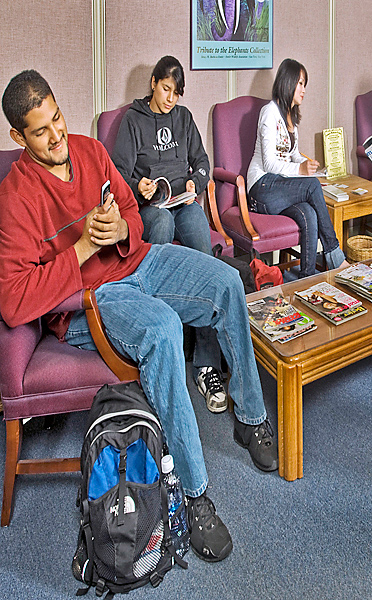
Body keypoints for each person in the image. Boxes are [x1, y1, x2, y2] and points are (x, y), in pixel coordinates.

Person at [0, 70, 279, 563]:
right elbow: (14, 300)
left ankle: (250, 416)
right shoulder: (15, 197)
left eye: (58, 118)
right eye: (41, 130)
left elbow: (131, 211)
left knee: (227, 281)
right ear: (18, 136)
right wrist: (85, 244)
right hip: (92, 298)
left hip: (139, 260)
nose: (57, 134)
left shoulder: (88, 150)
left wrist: (120, 228)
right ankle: (194, 496)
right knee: (163, 330)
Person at [112, 56, 226, 414]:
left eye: (175, 94)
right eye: (165, 90)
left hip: (184, 201)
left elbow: (203, 162)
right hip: (151, 206)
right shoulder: (133, 120)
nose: (169, 99)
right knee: (159, 227)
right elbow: (117, 173)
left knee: (202, 246)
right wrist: (138, 185)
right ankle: (163, 349)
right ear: (153, 82)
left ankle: (206, 362)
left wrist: (197, 181)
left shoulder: (184, 118)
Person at [246, 58, 348, 278]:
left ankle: (307, 279)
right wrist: (302, 172)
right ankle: (334, 254)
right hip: (261, 187)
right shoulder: (269, 112)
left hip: (279, 190)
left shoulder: (291, 117)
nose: (303, 90)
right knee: (310, 186)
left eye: (304, 84)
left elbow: (293, 156)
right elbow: (269, 163)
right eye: (300, 83)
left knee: (309, 213)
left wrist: (310, 168)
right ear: (288, 82)